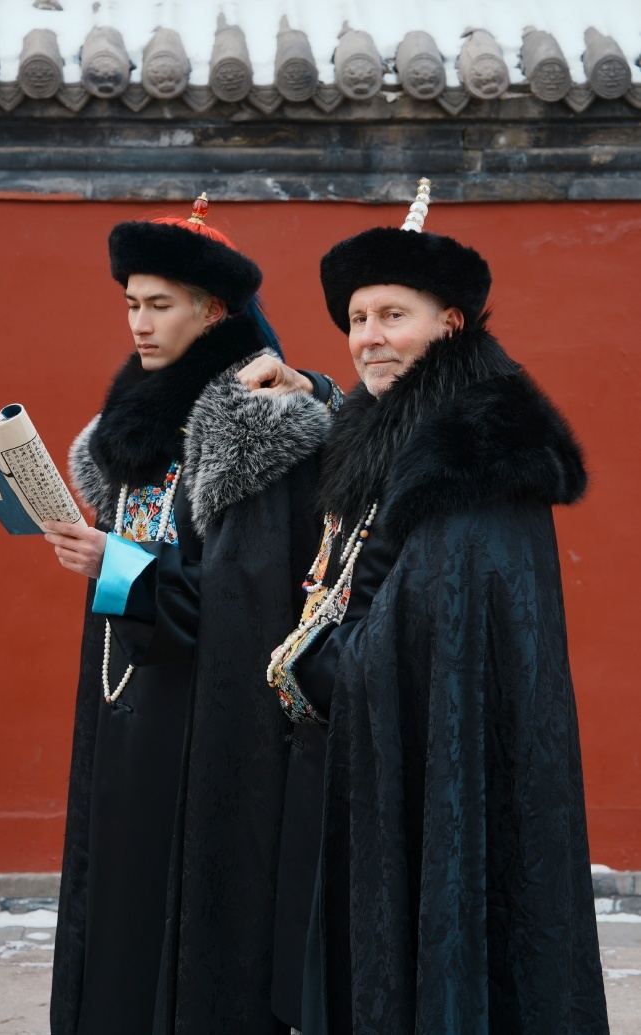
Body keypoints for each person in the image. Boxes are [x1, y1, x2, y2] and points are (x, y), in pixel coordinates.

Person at [266, 185, 609, 1033]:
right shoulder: (386, 428)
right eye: (357, 319)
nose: (369, 338)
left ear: (450, 323)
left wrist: (318, 663)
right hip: (368, 751)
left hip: (433, 751)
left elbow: (435, 623)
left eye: (393, 315)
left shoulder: (480, 447)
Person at [43, 194, 336, 1035]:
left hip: (210, 726)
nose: (139, 322)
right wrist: (114, 566)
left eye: (160, 303)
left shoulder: (259, 425)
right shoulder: (136, 428)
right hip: (128, 707)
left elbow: (246, 598)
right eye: (131, 302)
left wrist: (118, 566)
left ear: (213, 311)